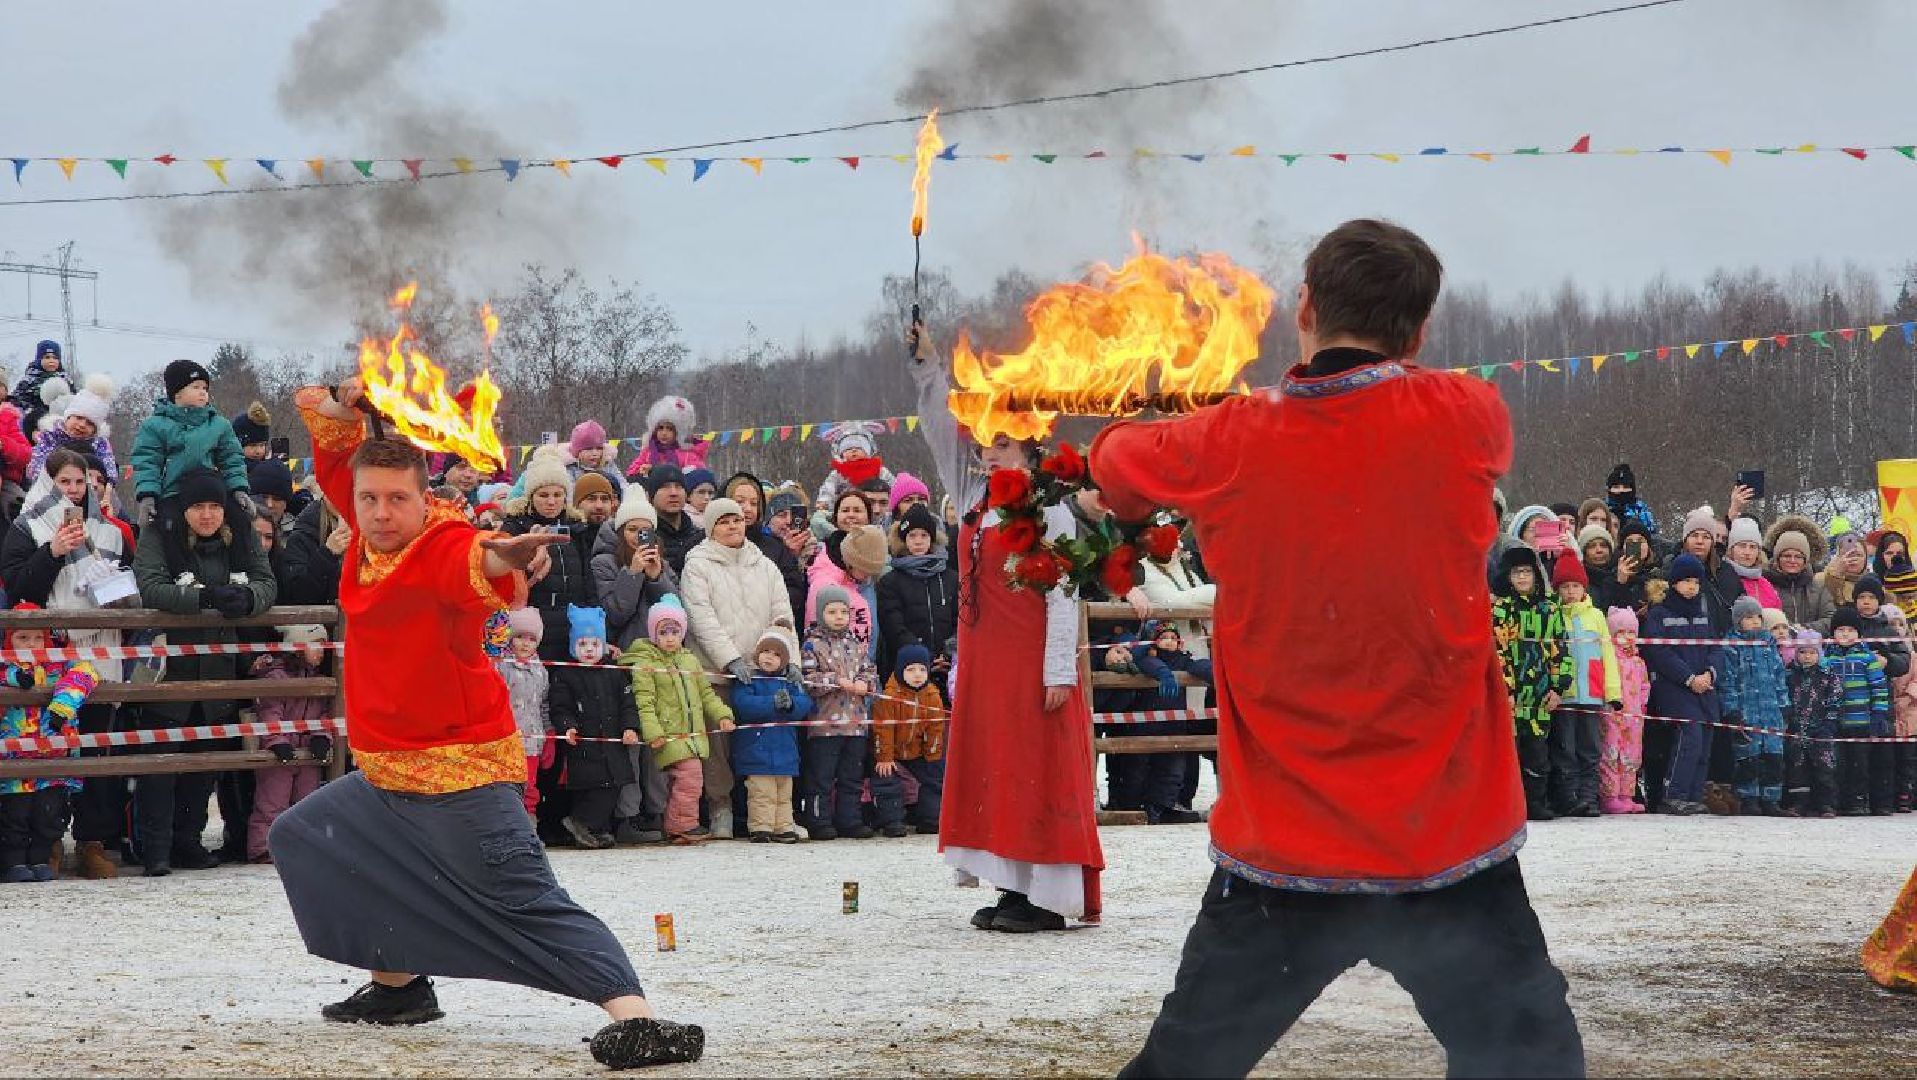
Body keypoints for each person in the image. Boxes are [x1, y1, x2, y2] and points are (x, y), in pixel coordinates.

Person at [1089, 219, 1582, 1076]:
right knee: (1530, 1066)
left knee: (1182, 1069)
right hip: (1445, 841)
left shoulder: (1228, 438)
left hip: (1289, 848)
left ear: (1305, 306)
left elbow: (1113, 464)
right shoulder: (1469, 411)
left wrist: (1195, 415)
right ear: (1421, 329)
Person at [267, 380, 702, 1069]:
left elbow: (482, 559)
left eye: (397, 499)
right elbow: (333, 443)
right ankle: (398, 987)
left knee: (523, 897)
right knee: (305, 837)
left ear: (422, 497)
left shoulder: (443, 544)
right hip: (384, 775)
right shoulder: (366, 522)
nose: (380, 513)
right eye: (369, 500)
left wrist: (510, 553)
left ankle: (637, 1017)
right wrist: (350, 401)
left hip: (459, 773)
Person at [911, 323, 1105, 935]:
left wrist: (1057, 671)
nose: (987, 453)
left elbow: (1064, 599)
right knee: (996, 771)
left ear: (1028, 451)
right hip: (985, 661)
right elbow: (942, 435)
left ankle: (1045, 897)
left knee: (1033, 770)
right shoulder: (973, 498)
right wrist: (927, 370)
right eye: (986, 445)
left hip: (1032, 665)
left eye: (1001, 445)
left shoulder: (1050, 512)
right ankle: (1008, 886)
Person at [132, 466, 278, 874]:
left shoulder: (241, 533)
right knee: (161, 763)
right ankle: (156, 847)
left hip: (218, 668)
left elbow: (267, 580)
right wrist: (204, 598)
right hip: (169, 667)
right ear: (186, 509)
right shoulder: (161, 533)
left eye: (215, 506)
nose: (208, 515)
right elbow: (151, 586)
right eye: (199, 506)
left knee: (204, 761)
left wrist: (247, 599)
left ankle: (188, 840)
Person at [0, 448, 132, 878]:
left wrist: (119, 588)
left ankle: (93, 839)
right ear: (48, 483)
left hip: (99, 650)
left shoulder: (111, 532)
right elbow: (21, 588)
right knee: (49, 749)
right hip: (49, 654)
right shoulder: (26, 528)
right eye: (65, 482)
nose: (74, 490)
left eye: (82, 482)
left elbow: (126, 584)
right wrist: (53, 550)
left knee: (95, 745)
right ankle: (48, 839)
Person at [678, 496, 794, 840]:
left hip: (763, 672)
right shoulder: (698, 565)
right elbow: (701, 617)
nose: (732, 526)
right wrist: (729, 658)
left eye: (737, 520)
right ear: (711, 527)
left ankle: (763, 813)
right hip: (717, 670)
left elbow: (782, 614)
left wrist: (790, 661)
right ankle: (721, 806)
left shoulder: (765, 564)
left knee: (760, 740)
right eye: (724, 521)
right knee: (719, 745)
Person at [623, 597, 734, 846]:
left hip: (692, 736)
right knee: (689, 778)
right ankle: (682, 824)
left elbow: (706, 694)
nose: (670, 637)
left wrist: (723, 715)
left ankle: (676, 824)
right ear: (654, 634)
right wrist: (653, 732)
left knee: (686, 781)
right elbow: (644, 702)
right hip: (669, 735)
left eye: (675, 631)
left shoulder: (689, 660)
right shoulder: (646, 664)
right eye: (663, 632)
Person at [0, 611, 100, 883]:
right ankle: (13, 862)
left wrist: (61, 707)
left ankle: (41, 859)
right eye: (23, 638)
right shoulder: (3, 666)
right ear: (9, 641)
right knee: (15, 814)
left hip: (53, 757)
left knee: (49, 813)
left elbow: (85, 673)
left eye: (37, 638)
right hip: (12, 758)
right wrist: (12, 676)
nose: (31, 644)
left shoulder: (60, 664)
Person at [552, 606, 642, 851]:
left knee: (612, 788)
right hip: (584, 746)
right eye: (582, 644)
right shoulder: (566, 676)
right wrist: (567, 726)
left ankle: (595, 828)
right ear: (573, 648)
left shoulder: (614, 674)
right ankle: (582, 824)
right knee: (590, 789)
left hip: (613, 745)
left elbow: (628, 704)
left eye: (594, 644)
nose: (589, 650)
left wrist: (630, 727)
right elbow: (560, 708)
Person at [1641, 554, 1724, 815]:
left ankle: (1693, 794)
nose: (1692, 586)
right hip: (1674, 687)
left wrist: (1710, 674)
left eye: (1696, 582)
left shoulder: (1703, 615)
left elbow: (1716, 649)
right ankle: (1673, 794)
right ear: (1674, 582)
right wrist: (1689, 678)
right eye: (1686, 581)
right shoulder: (1659, 614)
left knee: (1706, 738)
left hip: (1705, 687)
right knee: (1690, 737)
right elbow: (1660, 654)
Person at [129, 359, 255, 529]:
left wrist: (238, 489)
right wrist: (148, 496)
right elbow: (147, 462)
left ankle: (247, 555)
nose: (202, 392)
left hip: (211, 494)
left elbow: (232, 459)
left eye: (205, 388)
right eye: (195, 387)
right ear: (177, 393)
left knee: (239, 521)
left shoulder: (219, 425)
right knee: (169, 526)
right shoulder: (155, 425)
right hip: (173, 493)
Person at [1493, 547, 1570, 821]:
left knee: (1538, 754)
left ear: (1536, 575)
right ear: (1507, 576)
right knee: (1509, 754)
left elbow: (1560, 650)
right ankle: (1508, 807)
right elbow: (1498, 653)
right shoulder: (1501, 610)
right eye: (1517, 572)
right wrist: (1506, 690)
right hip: (1511, 698)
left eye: (1527, 571)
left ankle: (1535, 803)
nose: (1522, 577)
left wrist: (1558, 687)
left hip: (1539, 696)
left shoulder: (1549, 609)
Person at [246, 624, 334, 864]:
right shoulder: (276, 677)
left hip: (307, 752)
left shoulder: (320, 681)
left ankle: (302, 846)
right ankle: (263, 847)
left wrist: (320, 736)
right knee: (272, 801)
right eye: (315, 644)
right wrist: (276, 741)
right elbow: (270, 712)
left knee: (306, 801)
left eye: (323, 645)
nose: (321, 651)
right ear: (297, 647)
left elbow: (324, 713)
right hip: (280, 753)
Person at [501, 446, 594, 663]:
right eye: (543, 495)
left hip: (572, 623)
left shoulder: (578, 528)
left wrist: (591, 618)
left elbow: (589, 579)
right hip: (530, 627)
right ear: (531, 497)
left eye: (557, 494)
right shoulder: (515, 528)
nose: (551, 502)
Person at [800, 586, 877, 841]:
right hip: (825, 726)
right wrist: (835, 680)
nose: (839, 616)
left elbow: (870, 671)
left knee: (851, 777)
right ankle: (819, 820)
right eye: (832, 611)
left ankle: (850, 820)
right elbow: (808, 681)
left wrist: (866, 684)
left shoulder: (856, 644)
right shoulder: (812, 644)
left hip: (855, 724)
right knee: (821, 777)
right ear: (821, 614)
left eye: (844, 612)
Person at [1549, 556, 1619, 818]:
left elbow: (1608, 654)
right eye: (1564, 587)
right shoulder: (1554, 614)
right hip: (1565, 696)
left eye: (1575, 586)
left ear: (1584, 588)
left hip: (1592, 693)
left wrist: (1613, 692)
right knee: (1565, 748)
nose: (1570, 592)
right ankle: (1569, 796)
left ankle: (1589, 798)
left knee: (1590, 748)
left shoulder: (1596, 616)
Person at [728, 627, 812, 843]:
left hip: (785, 750)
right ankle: (760, 826)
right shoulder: (748, 678)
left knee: (784, 794)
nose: (770, 657)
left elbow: (805, 704)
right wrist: (771, 703)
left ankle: (783, 826)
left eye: (776, 655)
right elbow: (743, 704)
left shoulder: (789, 681)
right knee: (761, 792)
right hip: (757, 749)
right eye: (766, 651)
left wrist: (791, 703)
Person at [1719, 595, 1791, 815]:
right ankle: (1748, 798)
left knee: (1773, 758)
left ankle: (1771, 799)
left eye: (1758, 618)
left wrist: (1784, 705)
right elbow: (1727, 681)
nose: (1755, 622)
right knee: (1748, 758)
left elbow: (1780, 677)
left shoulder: (1769, 646)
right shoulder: (1731, 647)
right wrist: (1731, 710)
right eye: (1749, 618)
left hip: (1771, 713)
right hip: (1746, 712)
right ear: (1738, 621)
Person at [875, 505, 958, 681]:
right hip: (910, 670)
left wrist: (949, 653)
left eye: (924, 535)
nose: (918, 541)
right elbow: (893, 626)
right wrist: (923, 655)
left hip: (948, 670)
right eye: (912, 535)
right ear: (904, 539)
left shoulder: (951, 578)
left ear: (933, 538)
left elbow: (961, 620)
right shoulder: (890, 582)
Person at [871, 643, 946, 838]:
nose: (917, 674)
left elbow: (936, 727)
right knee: (886, 777)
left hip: (917, 750)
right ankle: (892, 820)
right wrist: (884, 757)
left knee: (936, 776)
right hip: (891, 750)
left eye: (922, 669)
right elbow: (883, 728)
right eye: (911, 669)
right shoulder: (889, 696)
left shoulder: (932, 695)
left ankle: (930, 819)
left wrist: (933, 754)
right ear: (900, 670)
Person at [1825, 607, 1891, 815]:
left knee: (1860, 764)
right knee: (1839, 763)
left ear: (1859, 634)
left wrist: (1879, 713)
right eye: (1841, 630)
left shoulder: (1867, 658)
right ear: (1833, 633)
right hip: (1837, 721)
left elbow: (1880, 688)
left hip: (1862, 721)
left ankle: (1859, 800)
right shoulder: (1827, 659)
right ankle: (1841, 800)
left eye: (1851, 630)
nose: (1845, 635)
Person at [496, 608, 553, 821]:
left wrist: (548, 735)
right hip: (507, 740)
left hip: (532, 743)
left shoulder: (541, 671)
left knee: (530, 785)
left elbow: (543, 705)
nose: (525, 643)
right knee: (508, 785)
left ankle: (529, 823)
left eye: (531, 639)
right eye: (520, 637)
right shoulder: (502, 666)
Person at [1784, 628, 1841, 818]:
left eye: (1811, 652)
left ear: (1819, 653)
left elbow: (1836, 699)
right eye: (1802, 652)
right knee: (1797, 768)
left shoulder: (1828, 674)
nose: (1807, 656)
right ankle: (1799, 804)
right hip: (1797, 729)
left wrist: (1829, 723)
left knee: (1825, 768)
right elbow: (1784, 699)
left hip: (1822, 729)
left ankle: (1827, 804)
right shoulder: (1790, 674)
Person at [1600, 607, 1650, 814]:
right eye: (1621, 633)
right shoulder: (1610, 659)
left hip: (1635, 717)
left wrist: (1643, 705)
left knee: (1632, 756)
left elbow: (1645, 685)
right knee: (1612, 754)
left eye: (1631, 632)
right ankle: (1609, 796)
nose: (1627, 637)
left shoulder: (1638, 661)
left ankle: (1626, 795)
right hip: (1613, 714)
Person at [26, 373, 116, 482]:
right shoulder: (51, 436)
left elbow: (109, 466)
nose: (82, 425)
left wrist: (108, 481)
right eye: (78, 418)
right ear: (67, 417)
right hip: (53, 484)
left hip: (89, 486)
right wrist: (44, 478)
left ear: (95, 430)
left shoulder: (99, 443)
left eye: (89, 423)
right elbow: (38, 460)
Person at [1765, 516, 1833, 633]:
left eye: (1798, 556)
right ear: (1777, 558)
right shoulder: (1765, 585)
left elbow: (1830, 619)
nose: (1792, 560)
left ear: (1805, 560)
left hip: (1812, 649)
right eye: (1786, 556)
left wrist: (1803, 629)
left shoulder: (1820, 588)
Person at [814, 421, 895, 510]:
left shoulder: (879, 470)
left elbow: (894, 487)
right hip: (845, 510)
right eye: (848, 448)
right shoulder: (838, 474)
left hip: (875, 509)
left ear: (868, 450)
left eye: (859, 448)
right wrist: (824, 502)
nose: (853, 451)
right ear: (841, 453)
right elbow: (828, 489)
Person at [624, 396, 710, 479]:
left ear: (678, 432)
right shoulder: (648, 452)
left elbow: (700, 476)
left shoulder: (687, 454)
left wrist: (682, 473)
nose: (664, 433)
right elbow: (630, 474)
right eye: (660, 428)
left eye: (669, 429)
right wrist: (642, 471)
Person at [643, 464, 704, 576]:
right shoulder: (646, 538)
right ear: (651, 496)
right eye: (665, 487)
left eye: (678, 486)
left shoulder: (700, 537)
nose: (673, 493)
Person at [1604, 463, 1659, 545]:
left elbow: (1651, 536)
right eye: (1616, 487)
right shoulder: (1602, 509)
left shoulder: (1641, 510)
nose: (1621, 491)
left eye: (1625, 487)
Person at [9, 340, 63, 421]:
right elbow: (16, 399)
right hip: (37, 419)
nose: (51, 360)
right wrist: (30, 410)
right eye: (47, 357)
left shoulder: (65, 380)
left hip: (62, 419)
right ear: (39, 360)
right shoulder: (29, 380)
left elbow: (73, 397)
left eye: (55, 358)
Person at [566, 420, 625, 492]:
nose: (595, 453)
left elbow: (622, 485)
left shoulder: (608, 465)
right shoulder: (570, 469)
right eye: (589, 449)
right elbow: (569, 492)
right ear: (578, 451)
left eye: (599, 448)